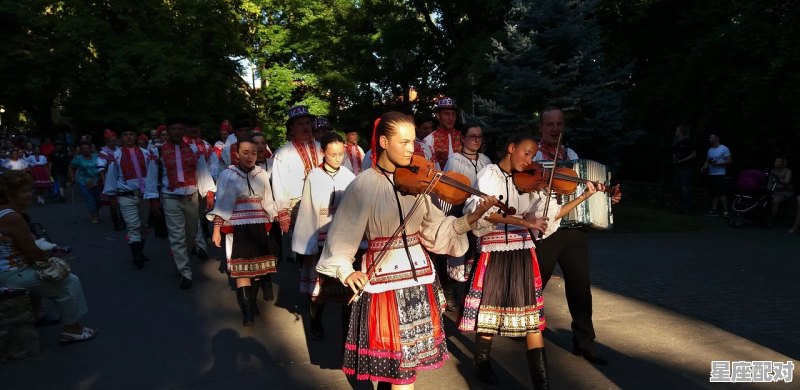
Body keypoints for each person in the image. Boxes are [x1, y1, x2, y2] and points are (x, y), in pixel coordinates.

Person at [316, 111, 498, 389]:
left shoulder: (417, 184)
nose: (411, 149)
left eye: (413, 142)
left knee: (406, 371)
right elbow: (342, 233)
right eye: (404, 142)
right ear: (385, 142)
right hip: (383, 286)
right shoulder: (363, 184)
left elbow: (434, 228)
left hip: (419, 280)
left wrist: (470, 219)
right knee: (394, 370)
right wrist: (344, 268)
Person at [456, 132, 554, 389]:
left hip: (523, 250)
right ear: (511, 148)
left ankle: (541, 383)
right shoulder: (490, 174)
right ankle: (482, 362)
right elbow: (486, 213)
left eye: (533, 155)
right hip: (495, 250)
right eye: (526, 153)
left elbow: (540, 217)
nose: (530, 160)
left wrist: (545, 197)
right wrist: (525, 221)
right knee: (490, 313)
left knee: (532, 321)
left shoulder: (529, 181)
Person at [532, 107, 622, 366]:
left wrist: (609, 197)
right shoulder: (534, 156)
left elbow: (587, 188)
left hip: (574, 231)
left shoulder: (572, 156)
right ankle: (526, 329)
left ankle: (584, 340)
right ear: (541, 127)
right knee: (537, 284)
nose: (555, 129)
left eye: (559, 124)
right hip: (547, 228)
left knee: (580, 287)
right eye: (549, 124)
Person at [0, 171, 97, 344]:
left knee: (39, 273)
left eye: (30, 190)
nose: (30, 195)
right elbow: (32, 252)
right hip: (8, 273)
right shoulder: (12, 217)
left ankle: (36, 315)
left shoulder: (6, 213)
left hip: (9, 269)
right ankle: (72, 329)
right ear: (10, 194)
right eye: (25, 191)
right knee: (68, 281)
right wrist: (50, 258)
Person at [208, 137, 282, 326]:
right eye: (246, 152)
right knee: (242, 271)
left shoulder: (262, 174)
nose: (250, 156)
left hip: (258, 224)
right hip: (237, 226)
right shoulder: (228, 175)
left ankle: (253, 303)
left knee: (257, 270)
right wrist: (217, 229)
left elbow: (268, 201)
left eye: (254, 153)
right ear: (237, 154)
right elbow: (222, 203)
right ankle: (247, 311)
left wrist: (278, 219)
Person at [292, 132, 356, 341]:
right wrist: (307, 249)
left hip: (344, 239)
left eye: (341, 154)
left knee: (346, 288)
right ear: (323, 153)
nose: (338, 158)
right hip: (320, 237)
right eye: (333, 154)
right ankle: (315, 320)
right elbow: (308, 212)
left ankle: (347, 331)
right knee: (318, 289)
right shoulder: (314, 176)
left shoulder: (348, 175)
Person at [145, 117, 216, 290]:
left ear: (183, 131)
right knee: (177, 236)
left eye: (179, 129)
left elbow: (202, 171)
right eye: (173, 129)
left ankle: (182, 260)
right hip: (170, 198)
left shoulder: (193, 149)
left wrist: (209, 193)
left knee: (192, 234)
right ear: (168, 131)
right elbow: (152, 176)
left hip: (191, 197)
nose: (177, 132)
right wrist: (153, 199)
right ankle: (185, 272)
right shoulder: (158, 152)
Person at [441, 123, 493, 309]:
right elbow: (448, 187)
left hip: (480, 210)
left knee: (475, 252)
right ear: (463, 138)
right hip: (458, 208)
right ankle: (451, 292)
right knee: (457, 251)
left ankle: (471, 293)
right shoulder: (455, 159)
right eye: (472, 136)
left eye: (480, 136)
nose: (477, 140)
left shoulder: (486, 160)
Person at [271, 105, 322, 266]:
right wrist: (283, 211)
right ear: (291, 128)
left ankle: (323, 287)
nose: (306, 127)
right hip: (298, 206)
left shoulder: (323, 148)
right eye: (300, 124)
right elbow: (278, 184)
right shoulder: (283, 153)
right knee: (305, 251)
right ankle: (307, 287)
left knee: (323, 248)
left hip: (324, 204)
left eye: (308, 123)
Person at [102, 129, 153, 269]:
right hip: (126, 196)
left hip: (144, 196)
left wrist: (154, 194)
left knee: (143, 225)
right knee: (132, 226)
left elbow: (151, 174)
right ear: (121, 138)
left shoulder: (146, 153)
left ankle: (140, 252)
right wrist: (111, 195)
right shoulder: (115, 156)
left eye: (131, 134)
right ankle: (136, 256)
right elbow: (112, 175)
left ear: (136, 137)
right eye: (125, 134)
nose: (129, 137)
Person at [424, 97, 462, 169]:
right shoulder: (429, 140)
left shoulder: (462, 137)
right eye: (446, 114)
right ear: (438, 116)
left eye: (453, 114)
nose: (450, 118)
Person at [98, 129, 124, 231]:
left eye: (114, 141)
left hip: (121, 178)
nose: (113, 143)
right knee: (113, 203)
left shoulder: (120, 150)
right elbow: (101, 168)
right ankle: (116, 223)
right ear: (106, 142)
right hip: (111, 179)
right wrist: (104, 181)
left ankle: (123, 220)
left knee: (122, 201)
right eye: (111, 142)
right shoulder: (104, 152)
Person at [701, 133, 732, 217]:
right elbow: (707, 161)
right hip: (711, 174)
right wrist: (704, 168)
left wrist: (718, 164)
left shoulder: (724, 148)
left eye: (711, 138)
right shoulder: (710, 150)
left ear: (717, 138)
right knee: (714, 193)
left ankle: (726, 211)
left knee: (721, 192)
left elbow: (729, 161)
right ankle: (714, 210)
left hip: (720, 174)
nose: (709, 139)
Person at [70, 143, 101, 224]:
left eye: (87, 148)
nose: (86, 150)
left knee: (98, 200)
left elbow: (102, 166)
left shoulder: (96, 156)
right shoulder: (78, 158)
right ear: (81, 150)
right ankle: (94, 216)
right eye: (84, 148)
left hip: (96, 180)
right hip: (83, 181)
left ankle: (95, 211)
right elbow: (71, 167)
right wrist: (72, 178)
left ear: (90, 149)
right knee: (89, 198)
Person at [672, 125, 696, 214]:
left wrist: (682, 160)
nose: (675, 132)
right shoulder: (677, 143)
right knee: (678, 189)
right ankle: (680, 208)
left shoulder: (688, 142)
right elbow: (675, 153)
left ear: (681, 132)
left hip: (686, 168)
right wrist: (675, 158)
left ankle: (688, 209)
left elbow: (693, 154)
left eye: (677, 130)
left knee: (685, 188)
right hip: (678, 168)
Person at [766, 155, 793, 227]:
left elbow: (787, 182)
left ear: (782, 163)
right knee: (764, 198)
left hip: (784, 192)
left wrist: (778, 179)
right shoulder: (773, 171)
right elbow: (770, 181)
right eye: (775, 161)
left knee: (775, 201)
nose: (776, 163)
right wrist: (768, 189)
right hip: (774, 191)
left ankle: (770, 219)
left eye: (778, 161)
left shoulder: (788, 171)